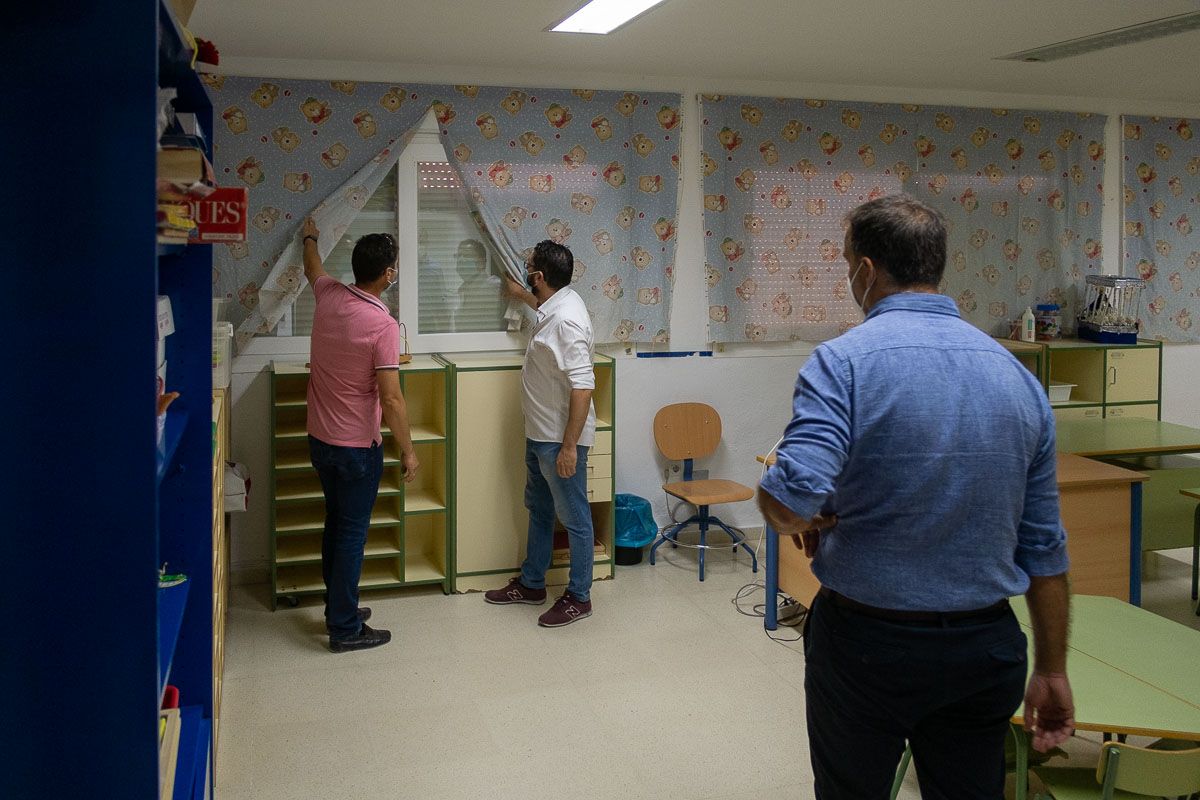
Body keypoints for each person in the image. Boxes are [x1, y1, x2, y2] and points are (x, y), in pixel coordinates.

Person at [756, 194, 1074, 799]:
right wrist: (1053, 670)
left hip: (865, 647)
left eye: (848, 261)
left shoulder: (841, 365)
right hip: (985, 648)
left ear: (867, 270)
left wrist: (781, 504)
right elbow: (1044, 548)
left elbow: (793, 499)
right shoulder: (1019, 379)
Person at [301, 217, 419, 652]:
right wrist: (408, 451)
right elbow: (391, 399)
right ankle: (345, 627)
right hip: (355, 448)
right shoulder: (381, 324)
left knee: (336, 524)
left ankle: (338, 606)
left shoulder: (328, 295)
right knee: (351, 533)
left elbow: (313, 266)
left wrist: (311, 236)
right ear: (388, 274)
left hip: (320, 439)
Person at [483, 240, 597, 627]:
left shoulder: (567, 320)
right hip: (540, 432)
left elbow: (583, 387)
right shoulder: (557, 304)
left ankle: (579, 596)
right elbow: (545, 311)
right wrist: (520, 294)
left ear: (540, 277)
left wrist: (569, 447)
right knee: (541, 509)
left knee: (575, 516)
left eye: (528, 269)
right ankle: (533, 583)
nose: (526, 272)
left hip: (558, 439)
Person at [453, 238, 506, 332]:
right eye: (458, 256)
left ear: (482, 262)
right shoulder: (462, 290)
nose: (461, 260)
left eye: (467, 255)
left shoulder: (494, 286)